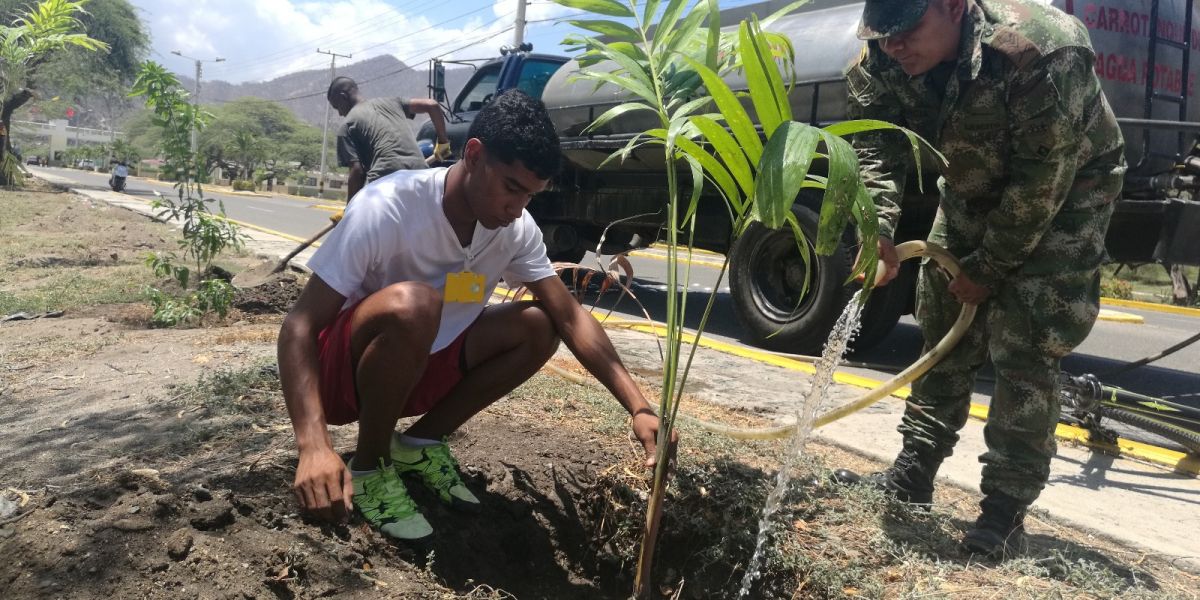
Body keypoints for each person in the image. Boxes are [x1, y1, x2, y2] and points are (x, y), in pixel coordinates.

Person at [278, 89, 672, 542]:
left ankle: (418, 444)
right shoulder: (387, 207)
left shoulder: (514, 230)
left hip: (423, 368)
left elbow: (570, 316)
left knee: (539, 324)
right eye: (511, 187)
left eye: (530, 196)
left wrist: (638, 407)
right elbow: (300, 326)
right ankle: (370, 469)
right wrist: (312, 446)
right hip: (344, 375)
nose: (517, 208)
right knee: (416, 303)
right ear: (474, 154)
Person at [836, 0, 1125, 558]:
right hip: (970, 188)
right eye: (882, 34)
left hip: (1070, 195)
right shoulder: (880, 54)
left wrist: (989, 269)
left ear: (951, 6)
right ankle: (913, 476)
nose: (893, 46)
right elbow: (874, 144)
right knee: (942, 327)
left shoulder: (1042, 47)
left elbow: (1045, 175)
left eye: (907, 31)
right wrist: (877, 229)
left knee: (1025, 344)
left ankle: (1002, 513)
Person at [327, 76, 453, 203]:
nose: (340, 113)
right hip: (421, 176)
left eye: (337, 107)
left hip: (386, 183)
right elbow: (432, 105)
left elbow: (357, 171)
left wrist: (350, 209)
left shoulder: (347, 125)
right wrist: (443, 142)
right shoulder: (392, 102)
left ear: (344, 97)